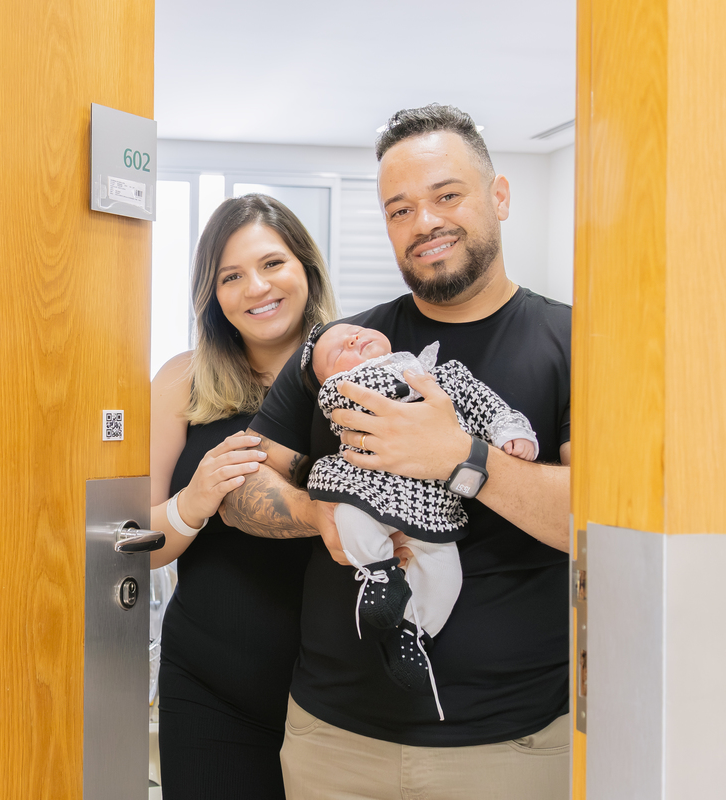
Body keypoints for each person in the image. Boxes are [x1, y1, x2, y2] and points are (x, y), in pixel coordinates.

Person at [220, 105, 572, 799]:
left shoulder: (572, 342)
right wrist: (322, 516)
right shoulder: (340, 348)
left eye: (447, 195)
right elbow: (240, 487)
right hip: (332, 739)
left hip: (510, 746)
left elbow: (595, 524)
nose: (424, 223)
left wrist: (461, 457)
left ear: (498, 195)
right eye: (400, 209)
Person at [149, 194, 338, 799]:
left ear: (305, 268)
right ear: (213, 294)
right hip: (209, 684)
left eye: (272, 264)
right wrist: (193, 502)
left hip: (338, 688)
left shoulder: (359, 369)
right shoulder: (183, 379)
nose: (256, 288)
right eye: (231, 276)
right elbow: (139, 543)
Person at [303, 323, 538, 717]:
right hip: (368, 486)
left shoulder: (444, 374)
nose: (354, 339)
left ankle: (412, 633)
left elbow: (484, 403)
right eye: (337, 350)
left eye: (356, 331)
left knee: (445, 572)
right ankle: (380, 574)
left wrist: (509, 430)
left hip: (431, 501)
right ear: (329, 375)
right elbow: (349, 399)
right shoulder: (342, 389)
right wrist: (404, 380)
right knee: (350, 518)